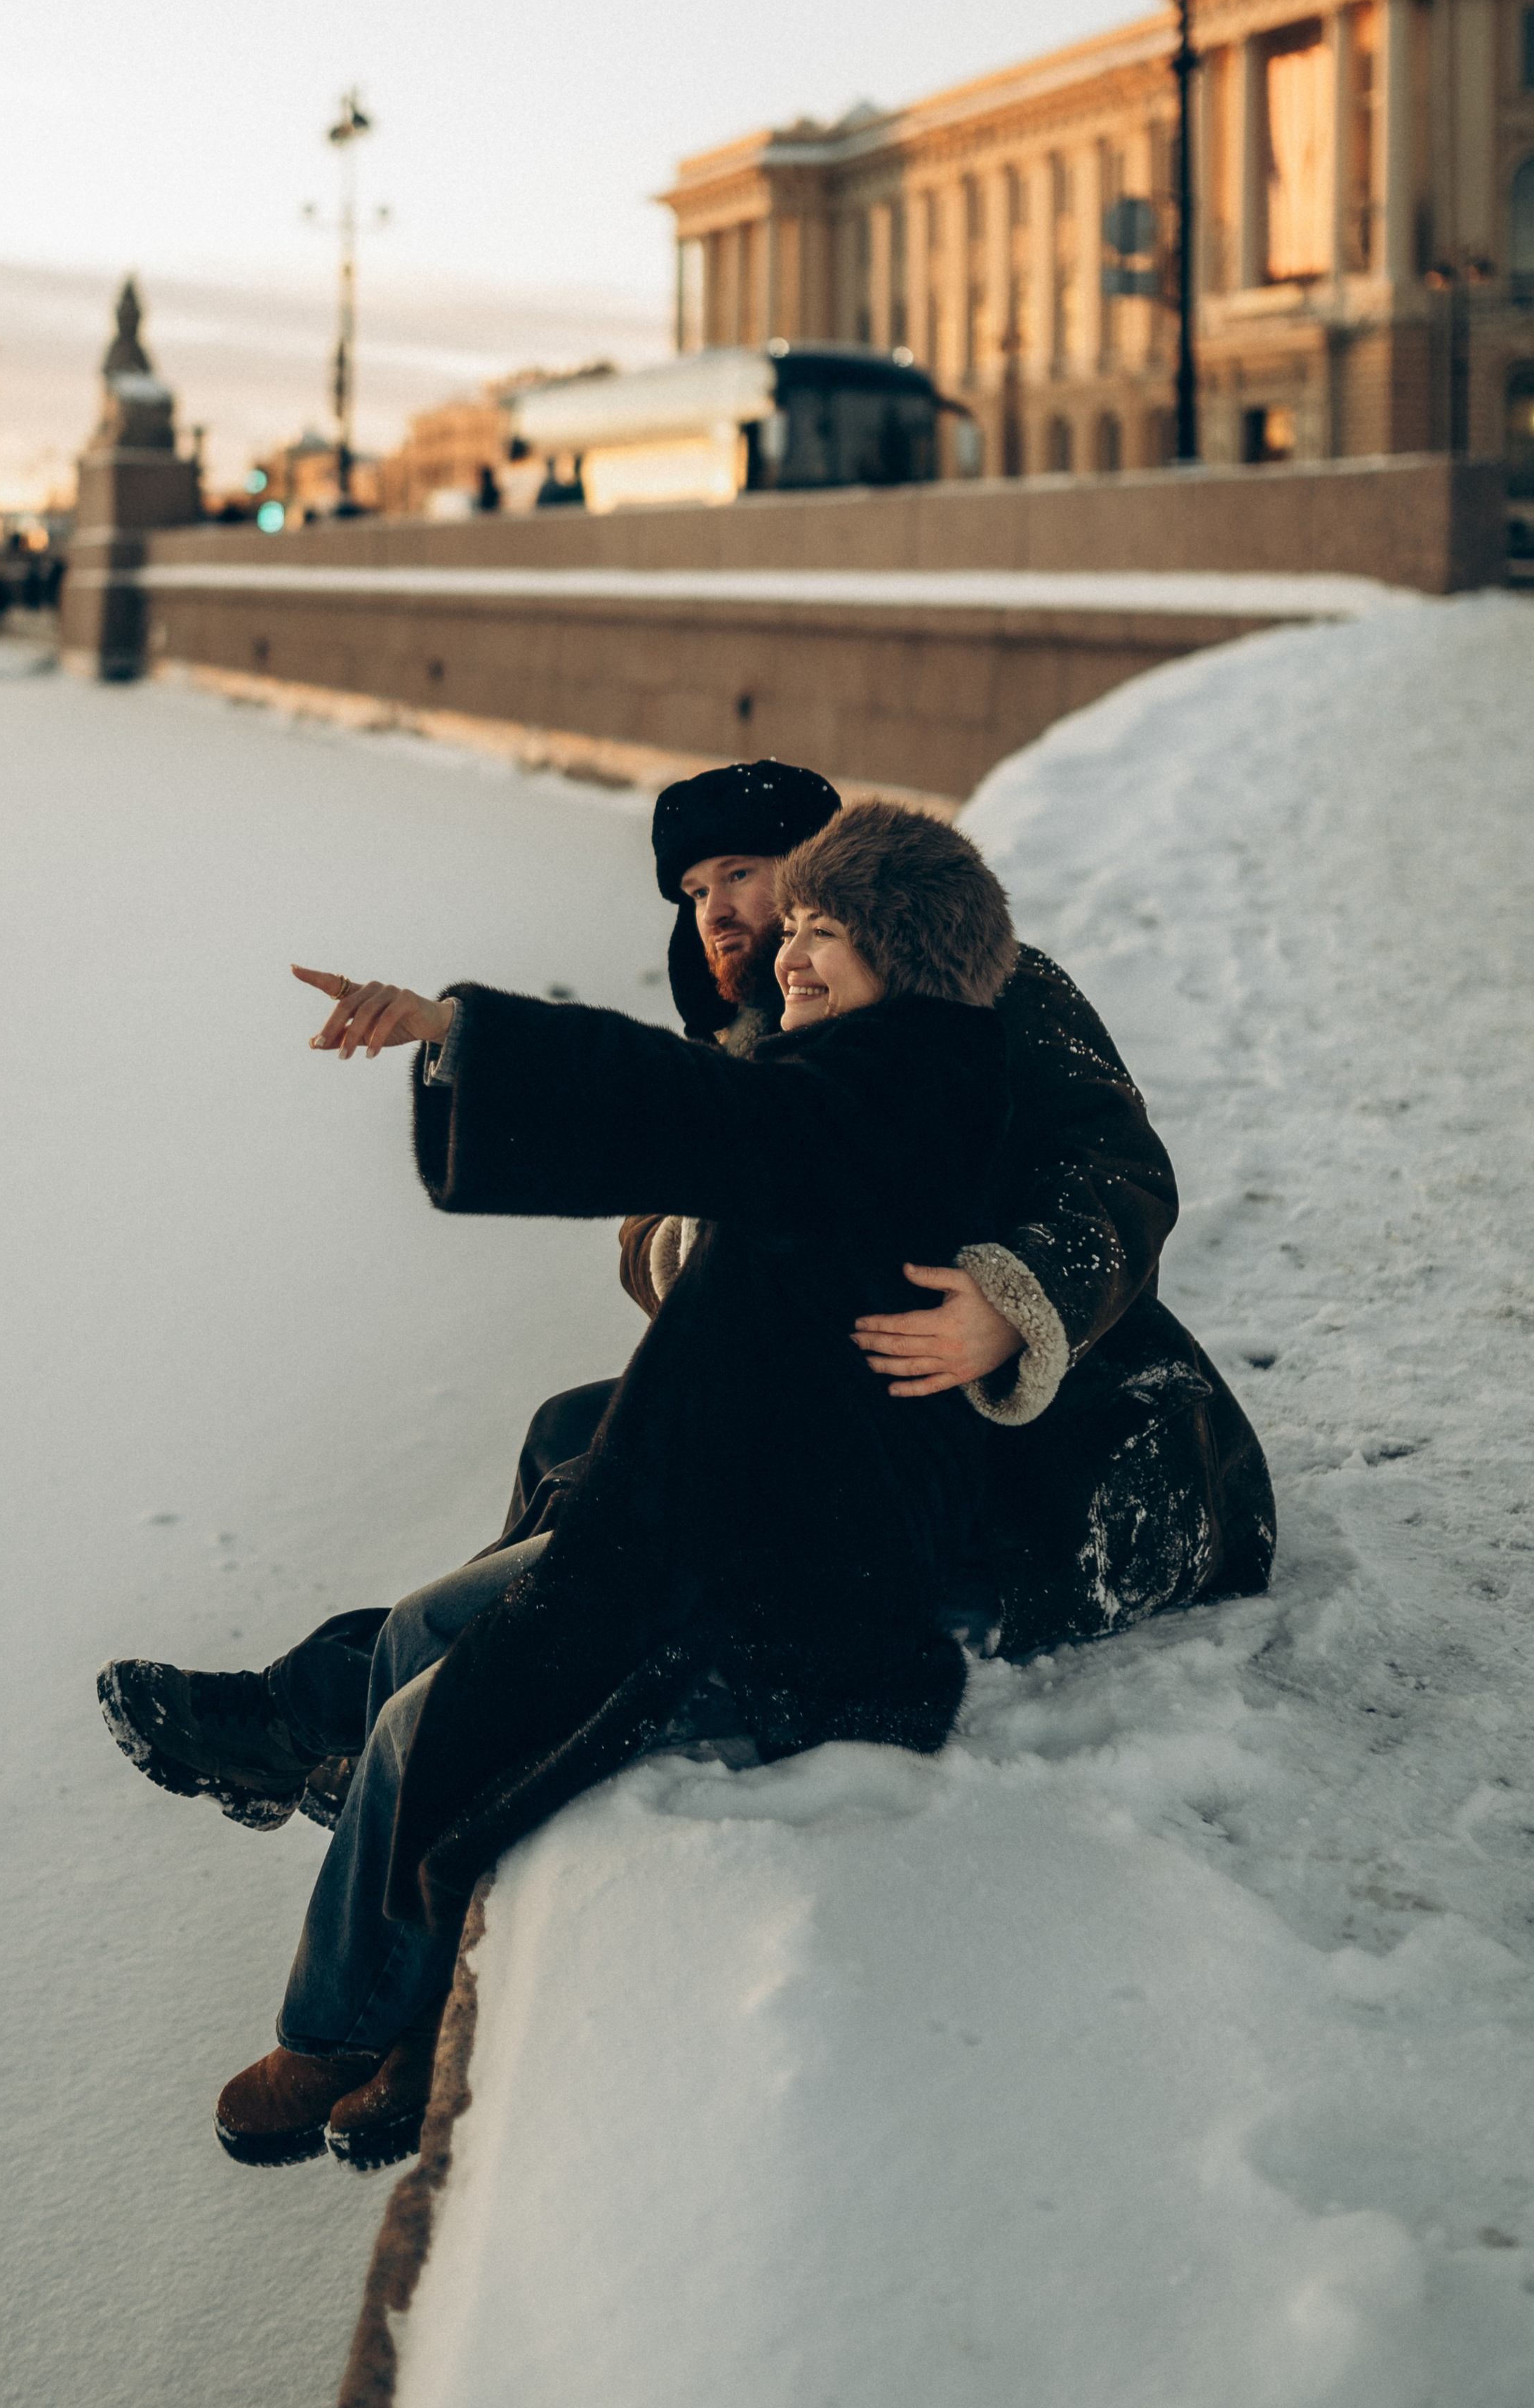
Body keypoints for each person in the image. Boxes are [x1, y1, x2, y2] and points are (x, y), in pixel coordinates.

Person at [99, 761, 1275, 2165]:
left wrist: (1000, 1297)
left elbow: (1112, 1171)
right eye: (697, 897)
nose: (725, 920)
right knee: (564, 1449)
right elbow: (673, 1182)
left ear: (833, 878)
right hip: (843, 1435)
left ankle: (339, 1749)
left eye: (745, 883)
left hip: (1060, 1471)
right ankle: (344, 1729)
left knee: (546, 1614)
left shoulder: (985, 992)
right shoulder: (773, 1031)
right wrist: (512, 1080)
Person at [190, 799, 1020, 2167]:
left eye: (831, 931)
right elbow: (702, 1132)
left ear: (913, 950)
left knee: (421, 1726)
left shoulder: (897, 1091)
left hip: (791, 1606)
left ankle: (352, 2031)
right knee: (421, 1630)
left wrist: (455, 1030)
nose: (792, 955)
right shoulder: (855, 1079)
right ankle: (382, 1993)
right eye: (793, 926)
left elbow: (693, 1108)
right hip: (698, 1534)